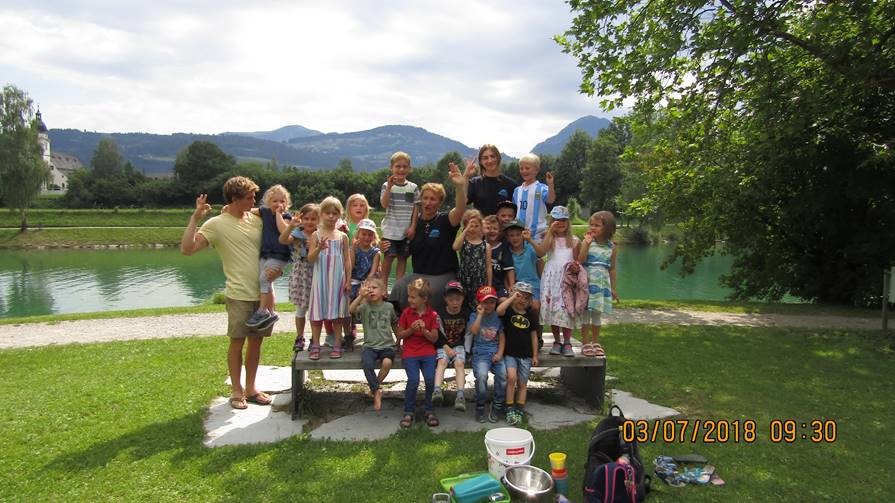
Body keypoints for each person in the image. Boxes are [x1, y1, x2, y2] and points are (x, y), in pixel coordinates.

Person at [180, 176, 275, 410]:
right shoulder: (216, 224)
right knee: (237, 343)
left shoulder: (256, 218)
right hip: (238, 295)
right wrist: (195, 218)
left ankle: (251, 389)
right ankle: (236, 391)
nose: (254, 201)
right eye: (250, 197)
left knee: (256, 343)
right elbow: (187, 249)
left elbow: (276, 228)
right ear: (234, 199)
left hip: (264, 294)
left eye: (254, 197)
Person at [386, 161, 469, 312]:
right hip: (418, 275)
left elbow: (461, 208)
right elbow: (401, 251)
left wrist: (459, 186)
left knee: (430, 293)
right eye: (425, 198)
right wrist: (385, 246)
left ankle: (431, 324)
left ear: (440, 202)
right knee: (398, 287)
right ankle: (400, 324)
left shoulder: (446, 220)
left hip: (443, 275)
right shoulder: (413, 223)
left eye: (433, 199)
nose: (428, 202)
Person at [530, 206, 581, 357]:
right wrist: (550, 232)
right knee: (554, 309)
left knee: (566, 309)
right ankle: (557, 341)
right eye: (557, 220)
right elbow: (541, 252)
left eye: (564, 220)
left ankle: (567, 342)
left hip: (567, 278)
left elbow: (578, 260)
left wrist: (576, 268)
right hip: (551, 278)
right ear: (552, 221)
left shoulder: (574, 240)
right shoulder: (549, 238)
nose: (561, 223)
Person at [307, 196, 352, 360]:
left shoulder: (342, 236)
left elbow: (347, 260)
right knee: (317, 313)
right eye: (327, 213)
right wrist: (319, 248)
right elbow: (310, 259)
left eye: (335, 213)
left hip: (337, 281)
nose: (331, 216)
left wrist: (348, 280)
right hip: (320, 281)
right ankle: (316, 345)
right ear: (321, 214)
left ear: (340, 215)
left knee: (337, 315)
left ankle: (337, 344)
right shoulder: (316, 235)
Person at [245, 184, 293, 330]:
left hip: (279, 254)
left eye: (282, 201)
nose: (279, 204)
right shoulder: (264, 212)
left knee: (264, 279)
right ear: (268, 202)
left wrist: (278, 214)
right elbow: (248, 211)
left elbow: (283, 230)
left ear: (287, 203)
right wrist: (228, 209)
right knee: (267, 281)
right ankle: (271, 312)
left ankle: (262, 311)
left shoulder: (287, 217)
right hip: (265, 253)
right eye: (275, 201)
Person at [396, 278, 440, 428]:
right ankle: (408, 411)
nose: (409, 300)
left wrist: (424, 330)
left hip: (427, 351)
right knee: (413, 380)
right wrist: (411, 330)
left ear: (424, 299)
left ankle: (430, 409)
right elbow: (400, 334)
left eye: (413, 297)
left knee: (430, 379)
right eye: (409, 296)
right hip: (410, 352)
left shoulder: (432, 315)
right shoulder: (406, 313)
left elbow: (434, 338)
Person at [349, 278, 398, 411]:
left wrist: (399, 340)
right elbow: (351, 310)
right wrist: (361, 296)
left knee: (387, 363)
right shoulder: (365, 307)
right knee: (367, 364)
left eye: (374, 288)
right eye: (368, 288)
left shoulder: (389, 307)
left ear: (384, 292)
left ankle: (373, 388)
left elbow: (394, 323)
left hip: (387, 345)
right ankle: (377, 391)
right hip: (370, 346)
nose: (371, 290)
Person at [496, 282, 539, 425]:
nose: (523, 300)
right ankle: (509, 408)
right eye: (520, 296)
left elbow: (534, 336)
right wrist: (512, 297)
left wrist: (535, 355)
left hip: (526, 355)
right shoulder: (508, 311)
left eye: (527, 298)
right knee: (511, 378)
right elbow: (499, 311)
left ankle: (519, 409)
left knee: (522, 383)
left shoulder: (530, 315)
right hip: (510, 354)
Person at [278, 203, 320, 351]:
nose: (309, 222)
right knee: (301, 309)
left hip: (317, 273)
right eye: (306, 218)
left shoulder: (321, 234)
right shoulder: (297, 234)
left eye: (313, 219)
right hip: (301, 274)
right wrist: (290, 226)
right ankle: (300, 336)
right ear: (301, 219)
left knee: (316, 310)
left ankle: (315, 338)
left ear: (319, 220)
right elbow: (283, 240)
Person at [577, 211, 619, 357]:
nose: (593, 227)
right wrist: (586, 244)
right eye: (591, 224)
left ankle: (595, 342)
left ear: (607, 228)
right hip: (587, 284)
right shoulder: (587, 242)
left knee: (597, 315)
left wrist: (613, 288)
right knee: (585, 315)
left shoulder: (612, 247)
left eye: (597, 225)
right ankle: (585, 343)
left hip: (602, 286)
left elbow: (612, 269)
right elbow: (580, 260)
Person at [468, 285, 506, 423]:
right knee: (482, 376)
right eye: (485, 302)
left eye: (492, 302)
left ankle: (497, 404)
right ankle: (480, 405)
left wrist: (500, 353)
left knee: (502, 375)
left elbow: (502, 337)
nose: (489, 305)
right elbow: (473, 331)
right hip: (480, 353)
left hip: (495, 352)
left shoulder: (498, 317)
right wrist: (479, 315)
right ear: (479, 303)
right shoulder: (474, 315)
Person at [380, 151, 419, 285]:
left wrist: (413, 226)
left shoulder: (413, 187)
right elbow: (384, 204)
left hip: (406, 231)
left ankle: (398, 287)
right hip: (390, 231)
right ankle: (383, 286)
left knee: (402, 258)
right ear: (391, 168)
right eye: (398, 166)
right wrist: (389, 188)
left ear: (409, 168)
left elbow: (416, 207)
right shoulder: (386, 185)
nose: (401, 169)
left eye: (404, 166)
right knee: (389, 257)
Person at [505, 219, 544, 348]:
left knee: (535, 307)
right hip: (517, 286)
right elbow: (506, 272)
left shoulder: (530, 248)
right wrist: (510, 287)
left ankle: (537, 336)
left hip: (533, 286)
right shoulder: (507, 252)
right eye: (511, 235)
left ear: (523, 234)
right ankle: (517, 337)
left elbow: (541, 253)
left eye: (518, 234)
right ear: (507, 237)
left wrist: (530, 240)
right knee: (512, 305)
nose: (515, 238)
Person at [433, 281, 471, 411]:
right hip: (443, 345)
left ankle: (460, 395)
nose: (455, 303)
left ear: (463, 299)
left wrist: (467, 349)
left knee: (459, 364)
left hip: (459, 345)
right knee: (442, 361)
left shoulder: (466, 313)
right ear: (445, 299)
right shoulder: (439, 313)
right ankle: (437, 390)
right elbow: (437, 334)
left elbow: (469, 333)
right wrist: (445, 347)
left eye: (458, 299)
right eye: (451, 300)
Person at [346, 218, 382, 350]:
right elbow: (350, 267)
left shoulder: (376, 252)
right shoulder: (353, 249)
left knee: (366, 303)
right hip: (354, 281)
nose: (367, 237)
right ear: (358, 234)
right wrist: (348, 282)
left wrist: (365, 287)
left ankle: (371, 335)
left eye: (370, 234)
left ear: (374, 236)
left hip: (368, 282)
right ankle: (348, 334)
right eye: (364, 234)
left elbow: (372, 273)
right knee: (346, 304)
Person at [453, 209, 492, 311]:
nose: (473, 229)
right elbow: (455, 247)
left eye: (476, 226)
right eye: (470, 226)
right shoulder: (463, 243)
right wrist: (465, 230)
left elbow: (488, 267)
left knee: (477, 305)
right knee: (463, 305)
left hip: (479, 281)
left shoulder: (486, 246)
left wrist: (489, 284)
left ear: (481, 227)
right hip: (464, 279)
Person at [512, 153, 555, 241]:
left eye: (527, 168)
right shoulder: (517, 191)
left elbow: (550, 200)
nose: (524, 171)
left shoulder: (541, 188)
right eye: (521, 168)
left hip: (538, 235)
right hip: (520, 235)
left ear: (536, 170)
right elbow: (514, 211)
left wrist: (550, 184)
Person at [466, 144, 518, 216]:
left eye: (492, 156)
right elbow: (462, 203)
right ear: (480, 161)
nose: (490, 161)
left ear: (498, 158)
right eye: (485, 158)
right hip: (481, 223)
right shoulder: (474, 183)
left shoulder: (512, 185)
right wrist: (465, 176)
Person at [484, 214, 515, 300]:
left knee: (504, 300)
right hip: (481, 284)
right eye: (488, 228)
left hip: (498, 285)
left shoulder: (503, 248)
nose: (492, 231)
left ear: (499, 231)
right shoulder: (479, 245)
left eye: (495, 228)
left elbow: (509, 269)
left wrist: (512, 286)